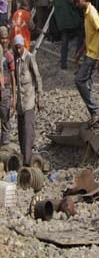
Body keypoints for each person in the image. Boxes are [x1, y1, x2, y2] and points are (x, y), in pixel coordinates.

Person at [73, 0, 99, 128]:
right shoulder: (86, 13)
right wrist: (79, 53)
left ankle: (96, 111)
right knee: (87, 86)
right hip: (89, 53)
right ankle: (95, 118)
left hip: (93, 56)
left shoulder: (92, 13)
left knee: (79, 80)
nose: (76, 4)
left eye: (78, 1)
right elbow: (90, 37)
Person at [13, 34, 42, 166]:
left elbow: (38, 77)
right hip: (20, 102)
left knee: (28, 130)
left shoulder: (30, 58)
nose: (18, 50)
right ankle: (24, 155)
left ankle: (28, 161)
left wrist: (39, 97)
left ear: (23, 45)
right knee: (21, 131)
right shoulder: (16, 59)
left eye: (19, 48)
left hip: (29, 99)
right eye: (16, 48)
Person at [52, 0, 83, 69]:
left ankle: (63, 64)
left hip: (61, 23)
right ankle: (78, 58)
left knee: (64, 42)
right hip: (71, 21)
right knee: (80, 35)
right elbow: (72, 1)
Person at [0, 26, 16, 146]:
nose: (4, 41)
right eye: (2, 38)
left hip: (5, 90)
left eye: (6, 38)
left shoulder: (9, 56)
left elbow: (13, 77)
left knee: (5, 119)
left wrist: (14, 98)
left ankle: (5, 144)